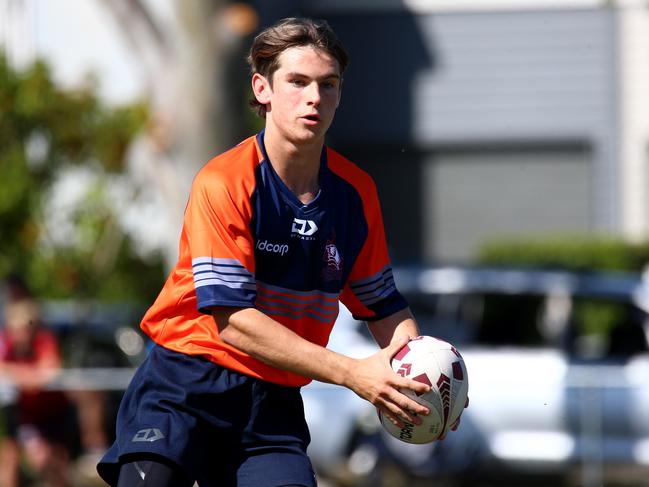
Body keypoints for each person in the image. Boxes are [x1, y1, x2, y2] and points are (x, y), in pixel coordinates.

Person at [98, 17, 463, 487]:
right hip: (185, 383)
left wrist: (430, 384)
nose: (314, 97)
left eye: (328, 85)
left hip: (271, 404)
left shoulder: (355, 193)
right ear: (262, 88)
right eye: (298, 81)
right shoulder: (225, 181)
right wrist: (352, 373)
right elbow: (233, 322)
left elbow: (383, 307)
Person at [0, 298, 73, 487]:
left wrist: (16, 374)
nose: (20, 334)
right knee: (33, 459)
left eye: (25, 328)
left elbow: (48, 373)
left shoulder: (44, 341)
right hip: (27, 416)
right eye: (15, 329)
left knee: (57, 466)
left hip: (55, 412)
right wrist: (29, 376)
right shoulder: (7, 346)